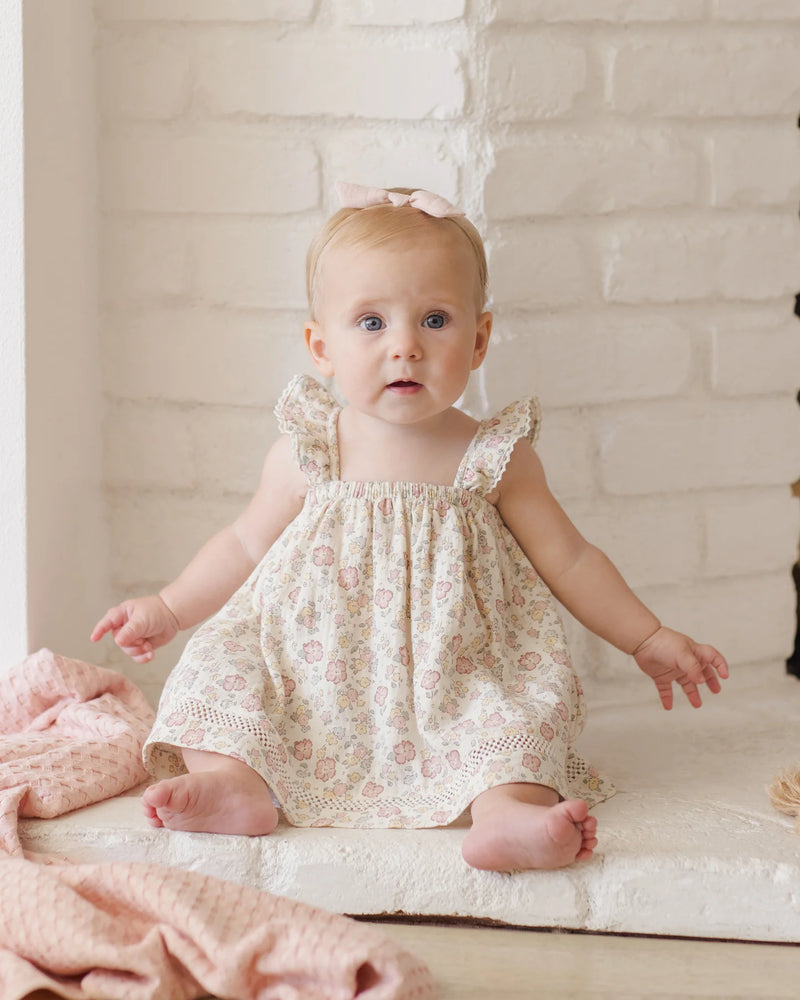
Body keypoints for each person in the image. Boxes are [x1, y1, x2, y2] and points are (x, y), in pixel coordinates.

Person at [91, 182, 729, 872]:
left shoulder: (494, 456)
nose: (405, 347)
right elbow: (244, 542)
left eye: (434, 320)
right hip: (309, 671)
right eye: (371, 322)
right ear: (321, 346)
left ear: (478, 340)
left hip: (455, 671)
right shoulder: (311, 449)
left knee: (518, 714)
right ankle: (235, 784)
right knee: (218, 670)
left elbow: (570, 559)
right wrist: (169, 608)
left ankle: (509, 814)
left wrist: (647, 637)